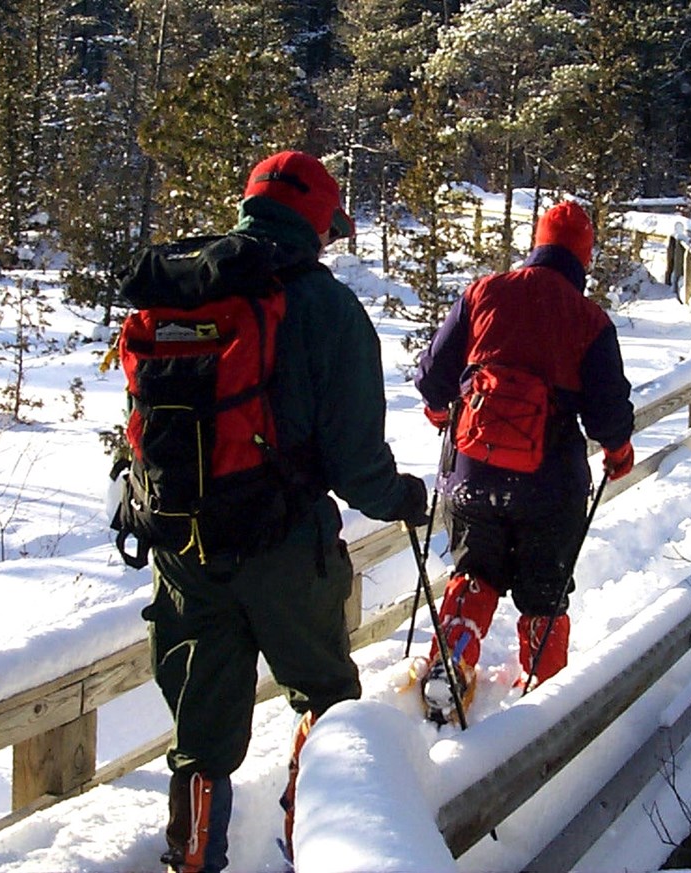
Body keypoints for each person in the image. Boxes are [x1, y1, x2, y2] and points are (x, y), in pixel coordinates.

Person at [139, 151, 429, 872]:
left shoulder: (188, 288)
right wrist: (406, 499)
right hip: (284, 546)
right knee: (329, 698)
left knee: (201, 730)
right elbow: (358, 464)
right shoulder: (327, 308)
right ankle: (317, 845)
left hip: (187, 545)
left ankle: (193, 858)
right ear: (318, 223)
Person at [413, 199, 635, 721]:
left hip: (473, 472)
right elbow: (608, 413)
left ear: (537, 243)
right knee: (544, 593)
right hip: (550, 488)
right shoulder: (588, 320)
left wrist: (437, 410)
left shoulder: (484, 293)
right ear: (584, 256)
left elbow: (433, 379)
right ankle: (543, 697)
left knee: (473, 572)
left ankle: (452, 662)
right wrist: (618, 453)